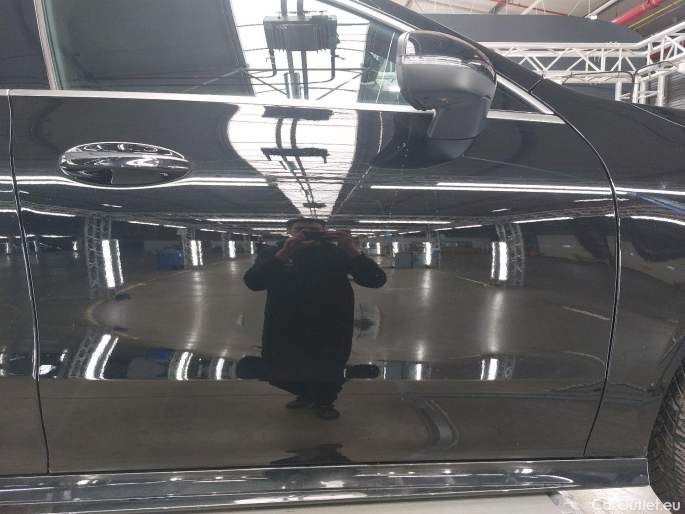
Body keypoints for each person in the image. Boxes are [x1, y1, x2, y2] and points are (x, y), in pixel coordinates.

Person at [243, 218, 386, 420]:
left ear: (325, 232)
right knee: (284, 365)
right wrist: (284, 254)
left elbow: (375, 280)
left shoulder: (337, 253)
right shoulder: (274, 252)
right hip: (284, 323)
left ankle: (325, 401)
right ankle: (305, 394)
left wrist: (351, 249)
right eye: (300, 229)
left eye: (314, 230)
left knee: (329, 365)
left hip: (331, 323)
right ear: (290, 232)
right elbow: (254, 282)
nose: (307, 233)